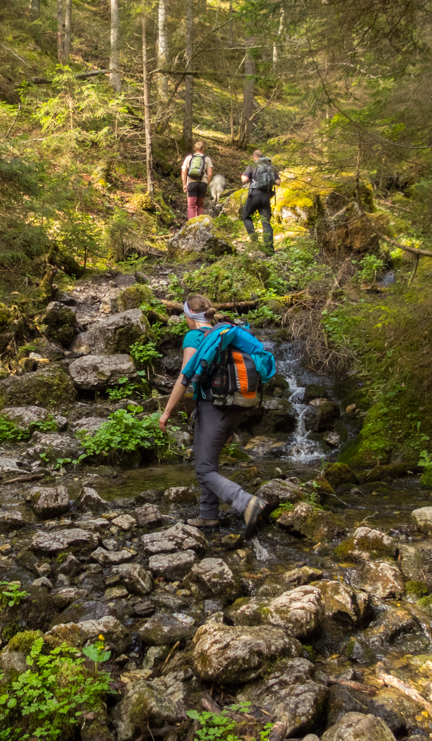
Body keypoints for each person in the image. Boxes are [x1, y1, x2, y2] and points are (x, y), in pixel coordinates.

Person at [158, 294, 267, 536]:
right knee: (209, 462)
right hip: (236, 407)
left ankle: (247, 502)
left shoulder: (195, 336)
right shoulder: (227, 335)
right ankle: (209, 517)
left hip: (212, 407)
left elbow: (184, 377)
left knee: (204, 470)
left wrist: (166, 412)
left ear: (189, 316)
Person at [240, 150, 281, 253]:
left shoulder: (252, 166)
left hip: (254, 196)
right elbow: (278, 182)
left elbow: (244, 179)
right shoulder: (270, 167)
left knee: (246, 216)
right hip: (266, 197)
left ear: (254, 158)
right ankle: (269, 249)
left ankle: (255, 242)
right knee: (266, 222)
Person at [180, 141, 214, 220]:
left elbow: (183, 171)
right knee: (200, 205)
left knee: (191, 206)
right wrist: (207, 184)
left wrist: (184, 184)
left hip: (191, 183)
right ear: (203, 149)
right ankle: (200, 226)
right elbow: (209, 174)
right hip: (203, 183)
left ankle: (191, 225)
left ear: (194, 149)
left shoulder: (189, 157)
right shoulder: (207, 159)